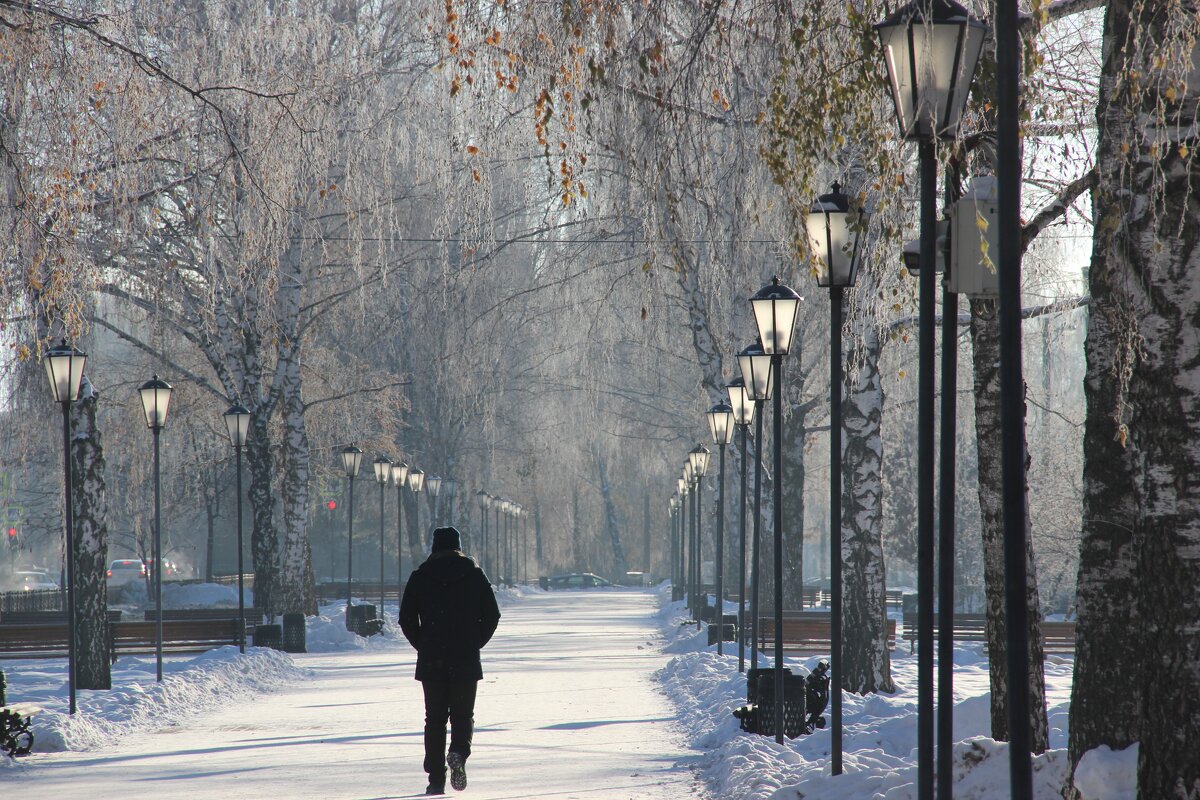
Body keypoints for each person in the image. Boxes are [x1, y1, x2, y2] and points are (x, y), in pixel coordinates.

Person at [400, 526, 500, 795]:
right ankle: (458, 752)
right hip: (465, 657)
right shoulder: (475, 575)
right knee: (463, 714)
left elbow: (406, 618)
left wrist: (423, 644)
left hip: (432, 659)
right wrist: (473, 641)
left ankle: (435, 777)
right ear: (459, 546)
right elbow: (492, 615)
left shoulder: (420, 577)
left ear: (434, 548)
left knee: (434, 719)